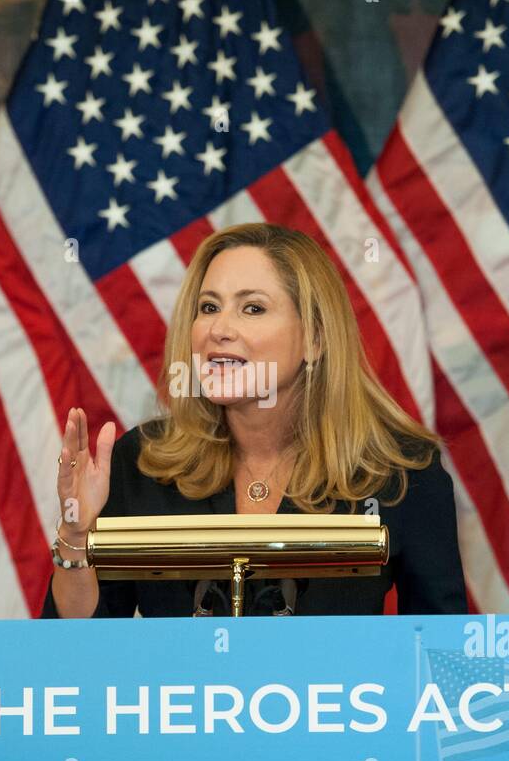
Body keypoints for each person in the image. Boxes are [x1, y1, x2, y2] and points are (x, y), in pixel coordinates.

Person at [41, 222, 466, 618]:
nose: (219, 329)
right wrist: (77, 536)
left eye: (253, 308)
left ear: (315, 339)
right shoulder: (140, 463)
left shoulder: (401, 471)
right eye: (209, 307)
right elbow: (76, 650)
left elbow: (438, 653)